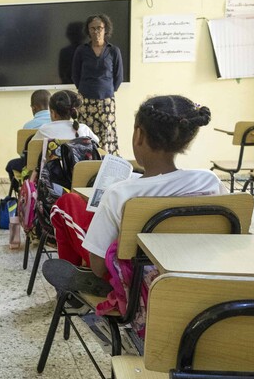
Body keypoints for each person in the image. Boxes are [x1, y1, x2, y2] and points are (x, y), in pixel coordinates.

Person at [43, 95, 223, 296]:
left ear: (139, 135)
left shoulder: (121, 192)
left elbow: (99, 266)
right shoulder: (209, 181)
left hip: (134, 286)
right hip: (193, 277)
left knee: (67, 203)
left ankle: (71, 288)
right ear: (188, 139)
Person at [72, 14, 123, 155]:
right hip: (85, 102)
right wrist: (86, 90)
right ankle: (86, 166)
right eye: (92, 28)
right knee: (86, 136)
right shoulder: (81, 51)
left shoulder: (113, 51)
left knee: (106, 135)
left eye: (99, 28)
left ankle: (106, 168)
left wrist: (106, 90)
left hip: (106, 101)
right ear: (88, 31)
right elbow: (75, 75)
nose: (96, 32)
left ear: (105, 29)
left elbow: (118, 77)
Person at [4, 89, 52, 190]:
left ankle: (23, 193)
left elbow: (22, 154)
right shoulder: (56, 122)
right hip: (55, 166)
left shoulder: (28, 126)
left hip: (33, 168)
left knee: (11, 165)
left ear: (34, 108)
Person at [32, 90, 99, 143]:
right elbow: (97, 145)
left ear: (53, 113)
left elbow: (31, 149)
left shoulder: (44, 130)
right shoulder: (84, 129)